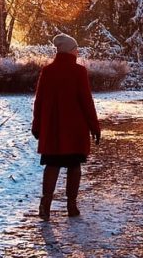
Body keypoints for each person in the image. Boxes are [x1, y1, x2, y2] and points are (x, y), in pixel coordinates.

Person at [31, 33, 101, 220]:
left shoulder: (48, 71)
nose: (77, 52)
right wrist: (94, 127)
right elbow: (86, 102)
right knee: (74, 166)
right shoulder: (79, 72)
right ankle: (71, 205)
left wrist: (37, 125)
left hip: (52, 128)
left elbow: (39, 101)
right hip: (74, 129)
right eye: (75, 49)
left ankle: (45, 204)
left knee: (52, 165)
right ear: (70, 51)